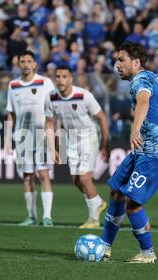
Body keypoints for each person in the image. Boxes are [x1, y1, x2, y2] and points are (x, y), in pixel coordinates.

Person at [101, 42, 158, 264]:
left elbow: (143, 101)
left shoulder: (141, 80)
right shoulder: (155, 79)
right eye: (117, 60)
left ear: (136, 62)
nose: (117, 65)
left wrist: (135, 130)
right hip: (146, 149)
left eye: (121, 60)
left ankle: (148, 254)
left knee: (132, 203)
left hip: (155, 153)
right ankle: (105, 248)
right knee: (116, 191)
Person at [45, 65, 109, 228]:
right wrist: (54, 149)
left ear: (71, 79)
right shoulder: (51, 97)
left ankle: (93, 219)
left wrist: (106, 145)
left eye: (64, 76)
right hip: (71, 140)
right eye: (58, 76)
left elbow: (102, 118)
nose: (60, 80)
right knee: (76, 181)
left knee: (84, 178)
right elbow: (49, 123)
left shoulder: (83, 95)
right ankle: (98, 202)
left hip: (89, 137)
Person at [4, 50, 55, 226]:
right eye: (22, 61)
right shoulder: (13, 85)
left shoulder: (45, 82)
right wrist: (7, 141)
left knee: (43, 174)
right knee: (27, 176)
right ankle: (31, 216)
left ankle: (47, 216)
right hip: (21, 137)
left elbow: (52, 111)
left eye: (29, 61)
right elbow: (10, 114)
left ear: (35, 64)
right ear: (18, 64)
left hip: (41, 135)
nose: (26, 65)